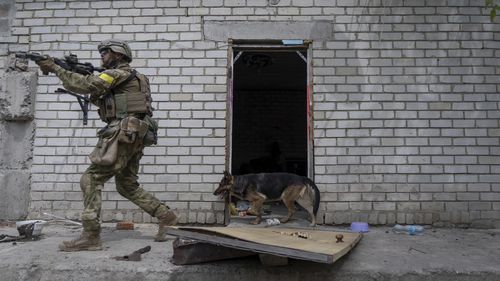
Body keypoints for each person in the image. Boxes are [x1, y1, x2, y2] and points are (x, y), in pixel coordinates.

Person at [35, 39, 177, 251]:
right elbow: (102, 98)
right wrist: (75, 72)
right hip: (134, 134)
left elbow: (87, 86)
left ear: (119, 55)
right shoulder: (134, 77)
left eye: (106, 52)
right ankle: (167, 216)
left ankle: (91, 236)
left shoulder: (117, 74)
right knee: (127, 185)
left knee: (91, 179)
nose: (101, 55)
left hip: (122, 133)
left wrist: (55, 68)